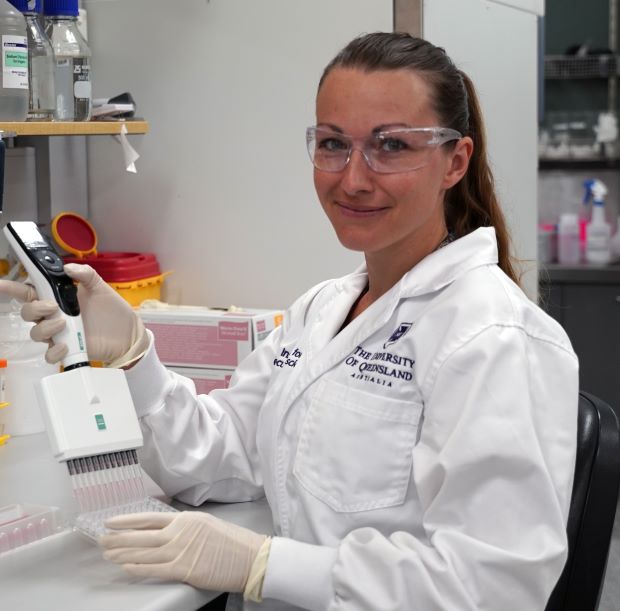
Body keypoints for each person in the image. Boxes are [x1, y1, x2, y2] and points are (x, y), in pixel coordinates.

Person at [0, 32, 578, 611]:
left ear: (456, 161)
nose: (353, 178)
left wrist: (262, 564)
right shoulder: (323, 309)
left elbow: (492, 588)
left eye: (392, 146)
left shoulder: (493, 337)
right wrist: (133, 353)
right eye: (332, 144)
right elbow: (218, 457)